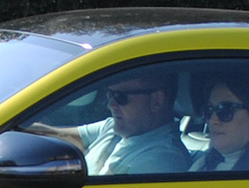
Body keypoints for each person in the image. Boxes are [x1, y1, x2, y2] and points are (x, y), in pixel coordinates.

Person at [33, 73, 191, 175]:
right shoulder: (115, 128)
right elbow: (61, 136)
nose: (111, 104)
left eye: (121, 97)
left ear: (157, 100)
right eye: (110, 95)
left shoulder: (160, 162)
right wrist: (16, 126)